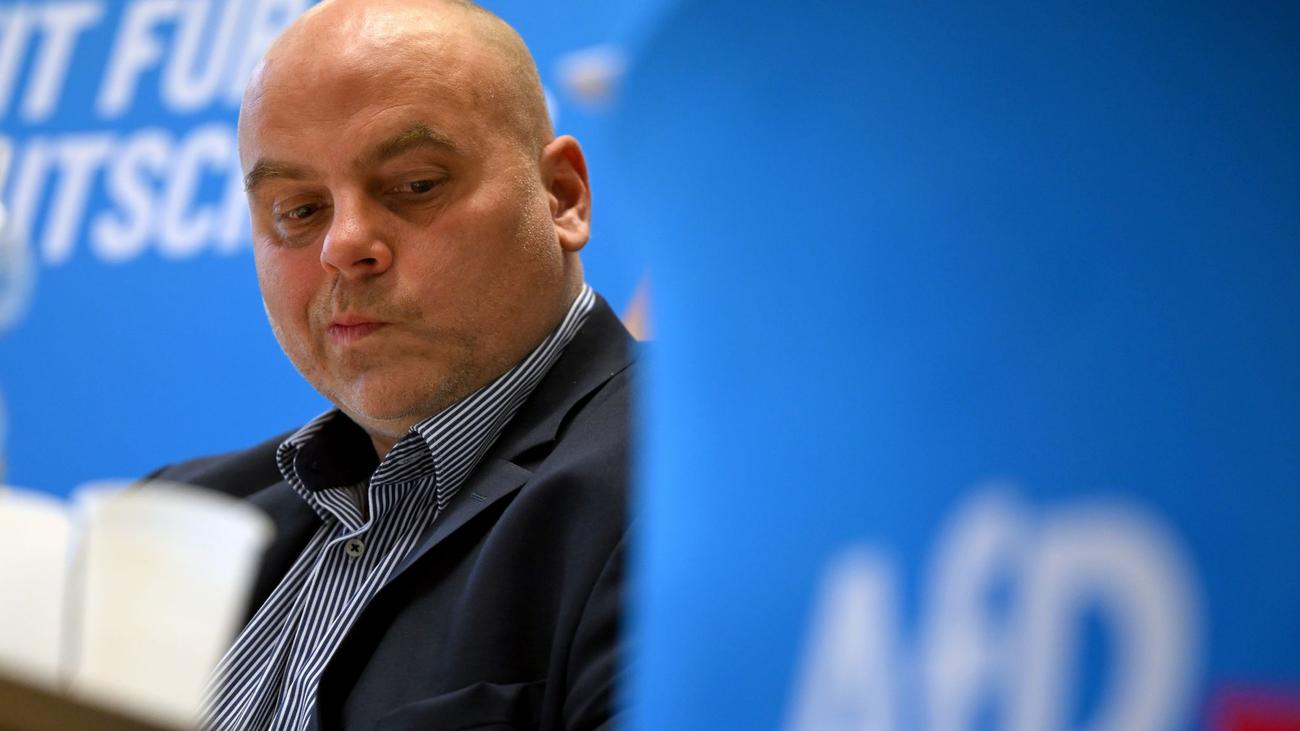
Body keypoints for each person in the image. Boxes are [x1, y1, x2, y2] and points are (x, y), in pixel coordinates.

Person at [148, 1, 634, 729]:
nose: (344, 245)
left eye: (415, 185)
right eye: (299, 210)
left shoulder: (684, 478)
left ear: (561, 196)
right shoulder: (172, 520)